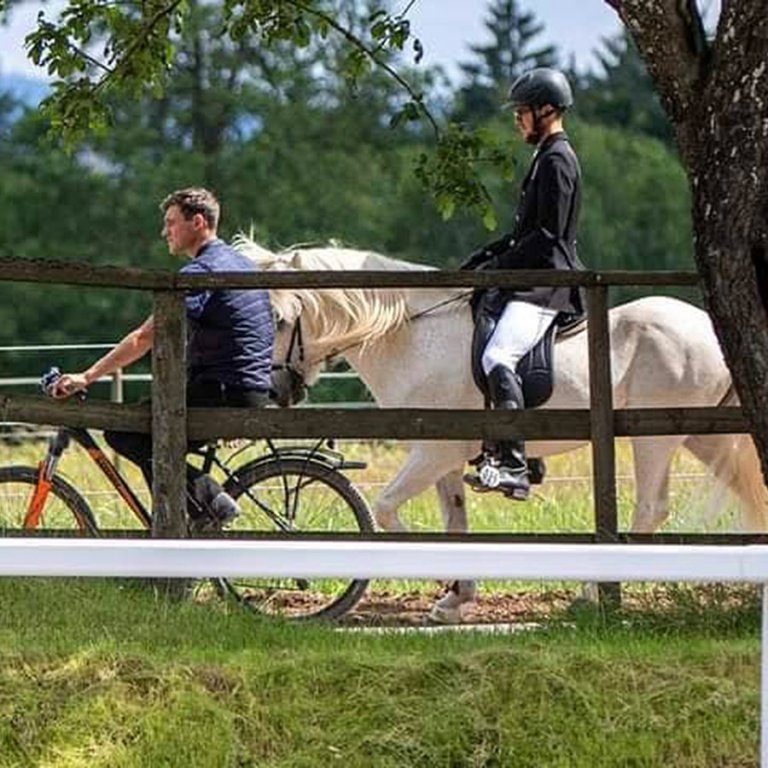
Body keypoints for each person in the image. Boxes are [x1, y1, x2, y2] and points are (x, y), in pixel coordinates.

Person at [51, 187, 274, 528]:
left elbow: (145, 336)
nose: (164, 231)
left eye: (171, 222)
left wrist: (87, 376)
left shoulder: (202, 272)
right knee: (147, 428)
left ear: (197, 222)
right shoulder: (241, 263)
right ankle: (188, 519)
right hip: (244, 390)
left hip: (224, 391)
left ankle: (209, 503)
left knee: (126, 432)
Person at [463, 67, 586, 500]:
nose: (518, 120)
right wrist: (485, 257)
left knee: (499, 355)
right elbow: (523, 233)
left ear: (546, 110)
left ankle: (516, 464)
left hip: (546, 282)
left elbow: (547, 237)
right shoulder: (545, 156)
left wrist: (502, 266)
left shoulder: (557, 160)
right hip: (534, 274)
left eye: (522, 112)